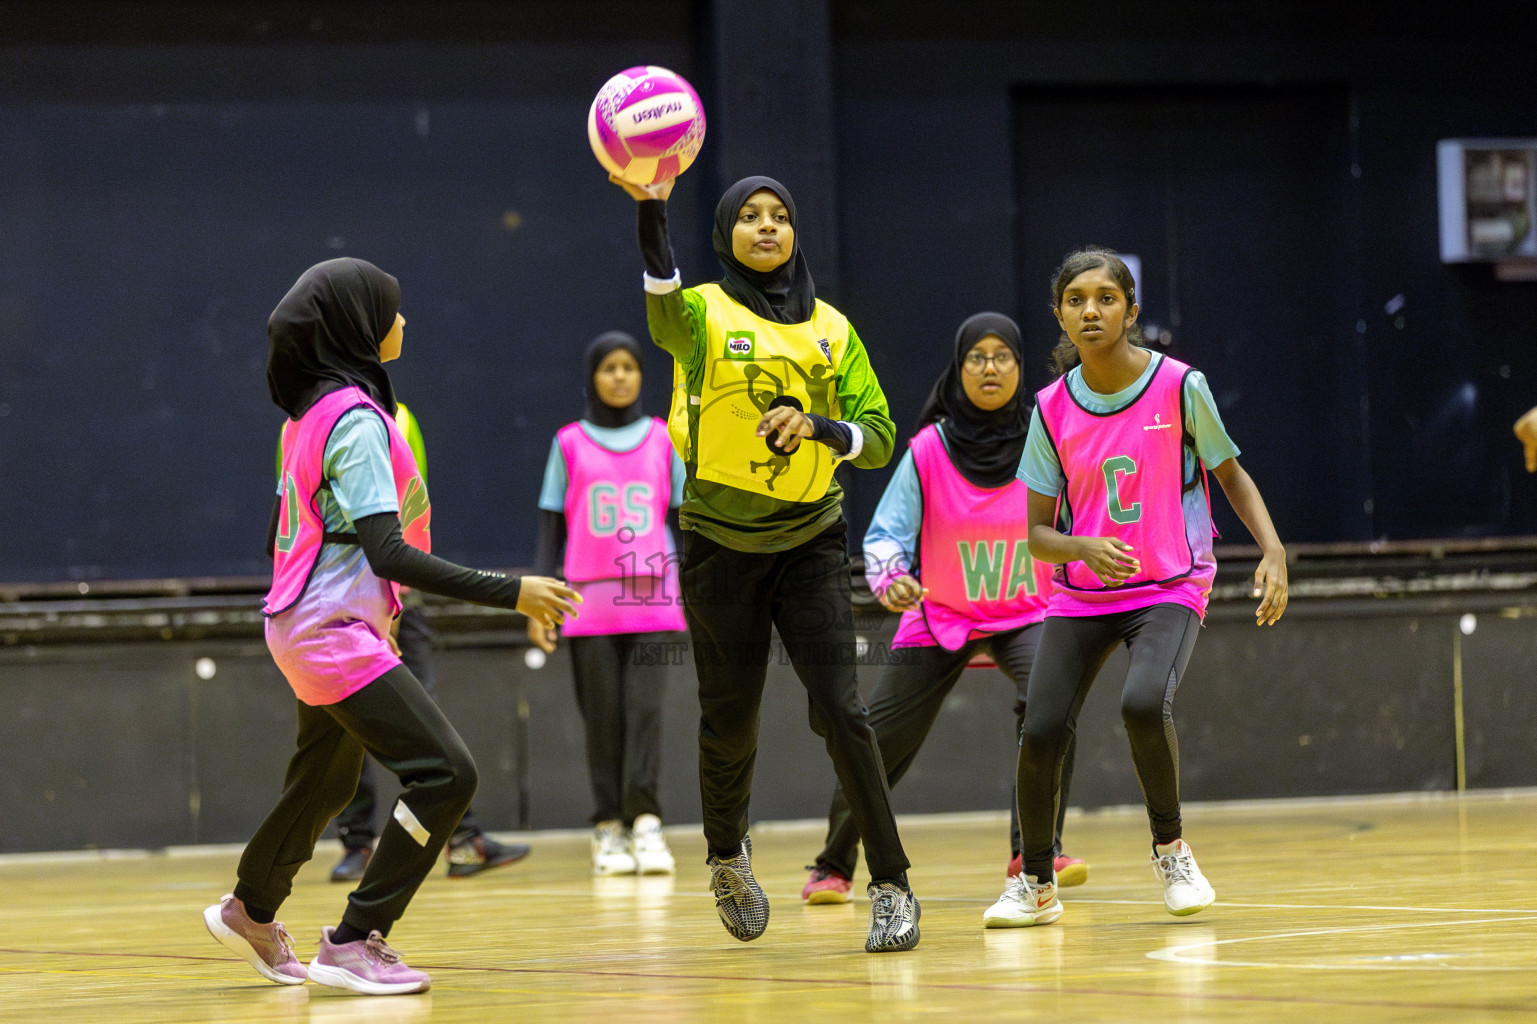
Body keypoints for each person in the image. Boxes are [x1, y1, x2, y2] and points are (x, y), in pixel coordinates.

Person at [203, 258, 578, 995]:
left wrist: (383, 616)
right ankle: (353, 940)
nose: (402, 323)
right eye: (391, 311)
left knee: (325, 780)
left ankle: (251, 909)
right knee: (446, 774)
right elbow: (388, 550)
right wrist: (515, 592)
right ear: (356, 327)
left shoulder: (308, 417)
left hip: (310, 624)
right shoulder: (352, 420)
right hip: (330, 629)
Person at [609, 171, 920, 953]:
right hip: (717, 545)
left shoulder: (834, 330)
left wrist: (820, 427)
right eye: (748, 216)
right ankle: (725, 857)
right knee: (728, 717)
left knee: (842, 712)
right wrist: (650, 202)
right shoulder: (700, 318)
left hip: (810, 541)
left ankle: (890, 883)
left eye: (779, 215)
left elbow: (879, 433)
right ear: (726, 234)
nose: (766, 227)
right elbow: (659, 292)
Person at [985, 247, 1288, 928]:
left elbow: (1230, 475)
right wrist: (1081, 545)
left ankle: (1171, 849)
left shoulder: (1179, 386)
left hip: (1169, 583)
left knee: (1144, 702)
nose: (1089, 311)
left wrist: (1271, 550)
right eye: (1074, 300)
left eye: (1104, 298)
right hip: (1082, 593)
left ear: (1129, 308)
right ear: (1058, 313)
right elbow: (1036, 534)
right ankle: (1034, 883)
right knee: (1039, 728)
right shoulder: (1050, 408)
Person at [798, 313, 1090, 916]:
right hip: (940, 616)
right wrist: (890, 579)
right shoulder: (929, 450)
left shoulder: (1048, 440)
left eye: (1002, 356)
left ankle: (1036, 852)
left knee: (1050, 705)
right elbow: (885, 538)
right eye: (976, 357)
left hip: (1029, 613)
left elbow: (1080, 518)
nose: (990, 367)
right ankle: (833, 864)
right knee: (873, 740)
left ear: (1018, 367)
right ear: (958, 371)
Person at [273, 403, 530, 883]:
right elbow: (296, 522)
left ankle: (462, 839)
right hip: (342, 604)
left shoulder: (397, 417)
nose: (402, 322)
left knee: (421, 720)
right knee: (348, 733)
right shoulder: (310, 423)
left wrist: (395, 603)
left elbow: (412, 514)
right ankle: (358, 845)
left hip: (390, 596)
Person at [529, 330, 687, 876]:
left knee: (645, 714)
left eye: (630, 367)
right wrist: (539, 602)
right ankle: (608, 828)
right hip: (587, 603)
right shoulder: (569, 441)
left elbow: (685, 523)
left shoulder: (665, 439)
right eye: (609, 368)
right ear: (592, 377)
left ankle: (645, 823)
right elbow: (551, 523)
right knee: (602, 719)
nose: (620, 377)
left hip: (655, 599)